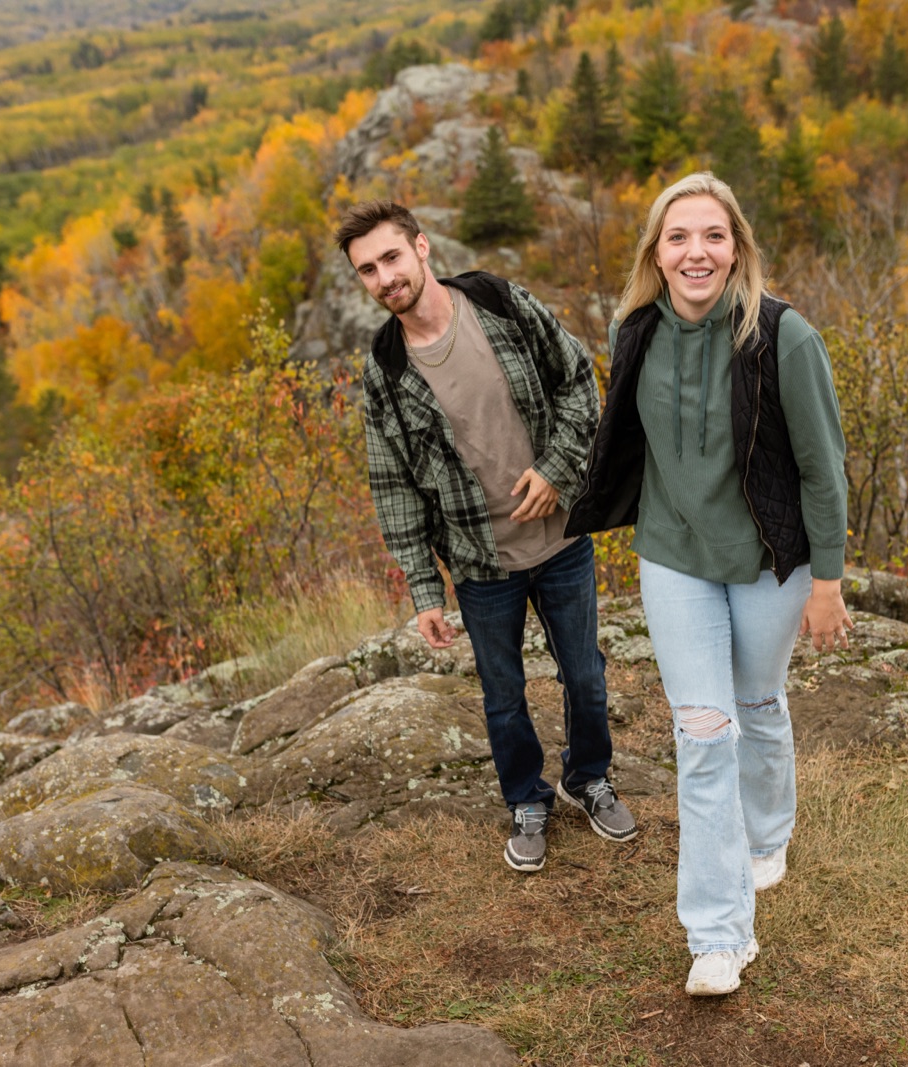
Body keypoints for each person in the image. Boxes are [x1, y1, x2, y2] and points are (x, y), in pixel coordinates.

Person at [566, 173, 852, 995]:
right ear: (656, 253)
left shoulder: (783, 337)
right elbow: (626, 440)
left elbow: (821, 470)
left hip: (771, 560)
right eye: (678, 237)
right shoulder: (636, 330)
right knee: (702, 733)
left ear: (737, 249)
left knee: (757, 702)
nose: (697, 251)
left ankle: (770, 832)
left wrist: (826, 581)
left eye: (713, 236)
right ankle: (719, 935)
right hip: (674, 559)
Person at [337, 200, 638, 874]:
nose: (385, 276)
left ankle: (588, 776)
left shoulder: (500, 303)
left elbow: (578, 383)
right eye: (368, 270)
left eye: (391, 257)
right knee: (503, 696)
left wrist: (559, 470)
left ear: (421, 247)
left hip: (560, 540)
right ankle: (526, 798)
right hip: (480, 565)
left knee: (584, 675)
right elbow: (394, 490)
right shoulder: (385, 373)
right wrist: (424, 589)